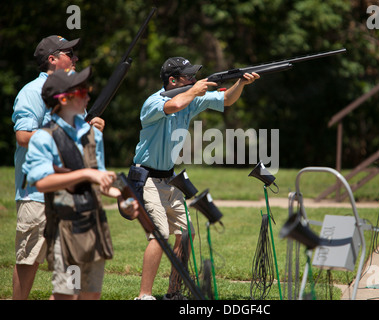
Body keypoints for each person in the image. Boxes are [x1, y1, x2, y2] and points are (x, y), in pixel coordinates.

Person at [131, 57, 259, 300]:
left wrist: (240, 82)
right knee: (159, 234)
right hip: (146, 177)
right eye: (188, 76)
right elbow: (174, 105)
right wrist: (195, 89)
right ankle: (144, 295)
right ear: (173, 80)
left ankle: (173, 292)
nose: (193, 79)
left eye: (193, 76)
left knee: (186, 232)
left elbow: (226, 99)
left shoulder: (190, 98)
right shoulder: (154, 102)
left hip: (169, 178)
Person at [22, 67, 138, 300]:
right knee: (67, 296)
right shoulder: (45, 137)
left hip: (94, 226)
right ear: (63, 99)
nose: (88, 94)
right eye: (81, 90)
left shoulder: (94, 135)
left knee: (90, 295)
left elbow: (100, 181)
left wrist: (121, 196)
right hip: (65, 230)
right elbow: (42, 182)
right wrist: (86, 174)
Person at [11, 35, 105, 300]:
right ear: (52, 59)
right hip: (37, 194)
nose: (75, 58)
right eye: (69, 53)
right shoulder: (32, 92)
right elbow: (23, 136)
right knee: (29, 260)